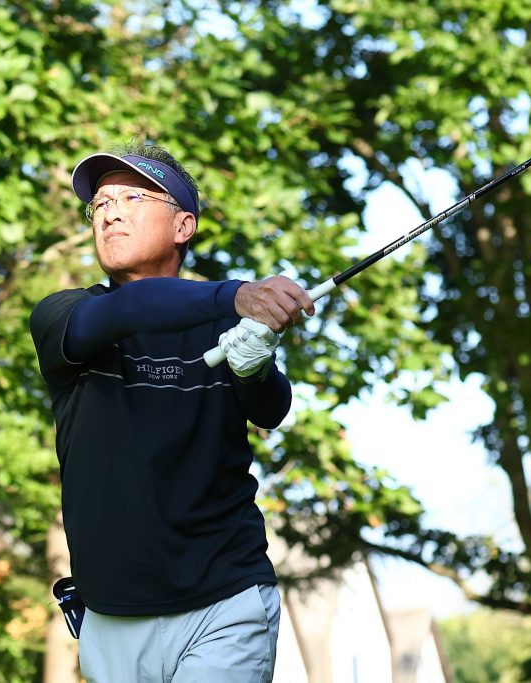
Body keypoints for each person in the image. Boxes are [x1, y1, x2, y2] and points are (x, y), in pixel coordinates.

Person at [30, 143, 315, 682]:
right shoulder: (63, 317)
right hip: (111, 615)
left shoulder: (225, 325)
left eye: (132, 198)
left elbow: (271, 409)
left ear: (183, 225)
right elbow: (131, 307)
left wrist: (254, 367)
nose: (110, 213)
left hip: (225, 600)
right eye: (100, 204)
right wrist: (237, 296)